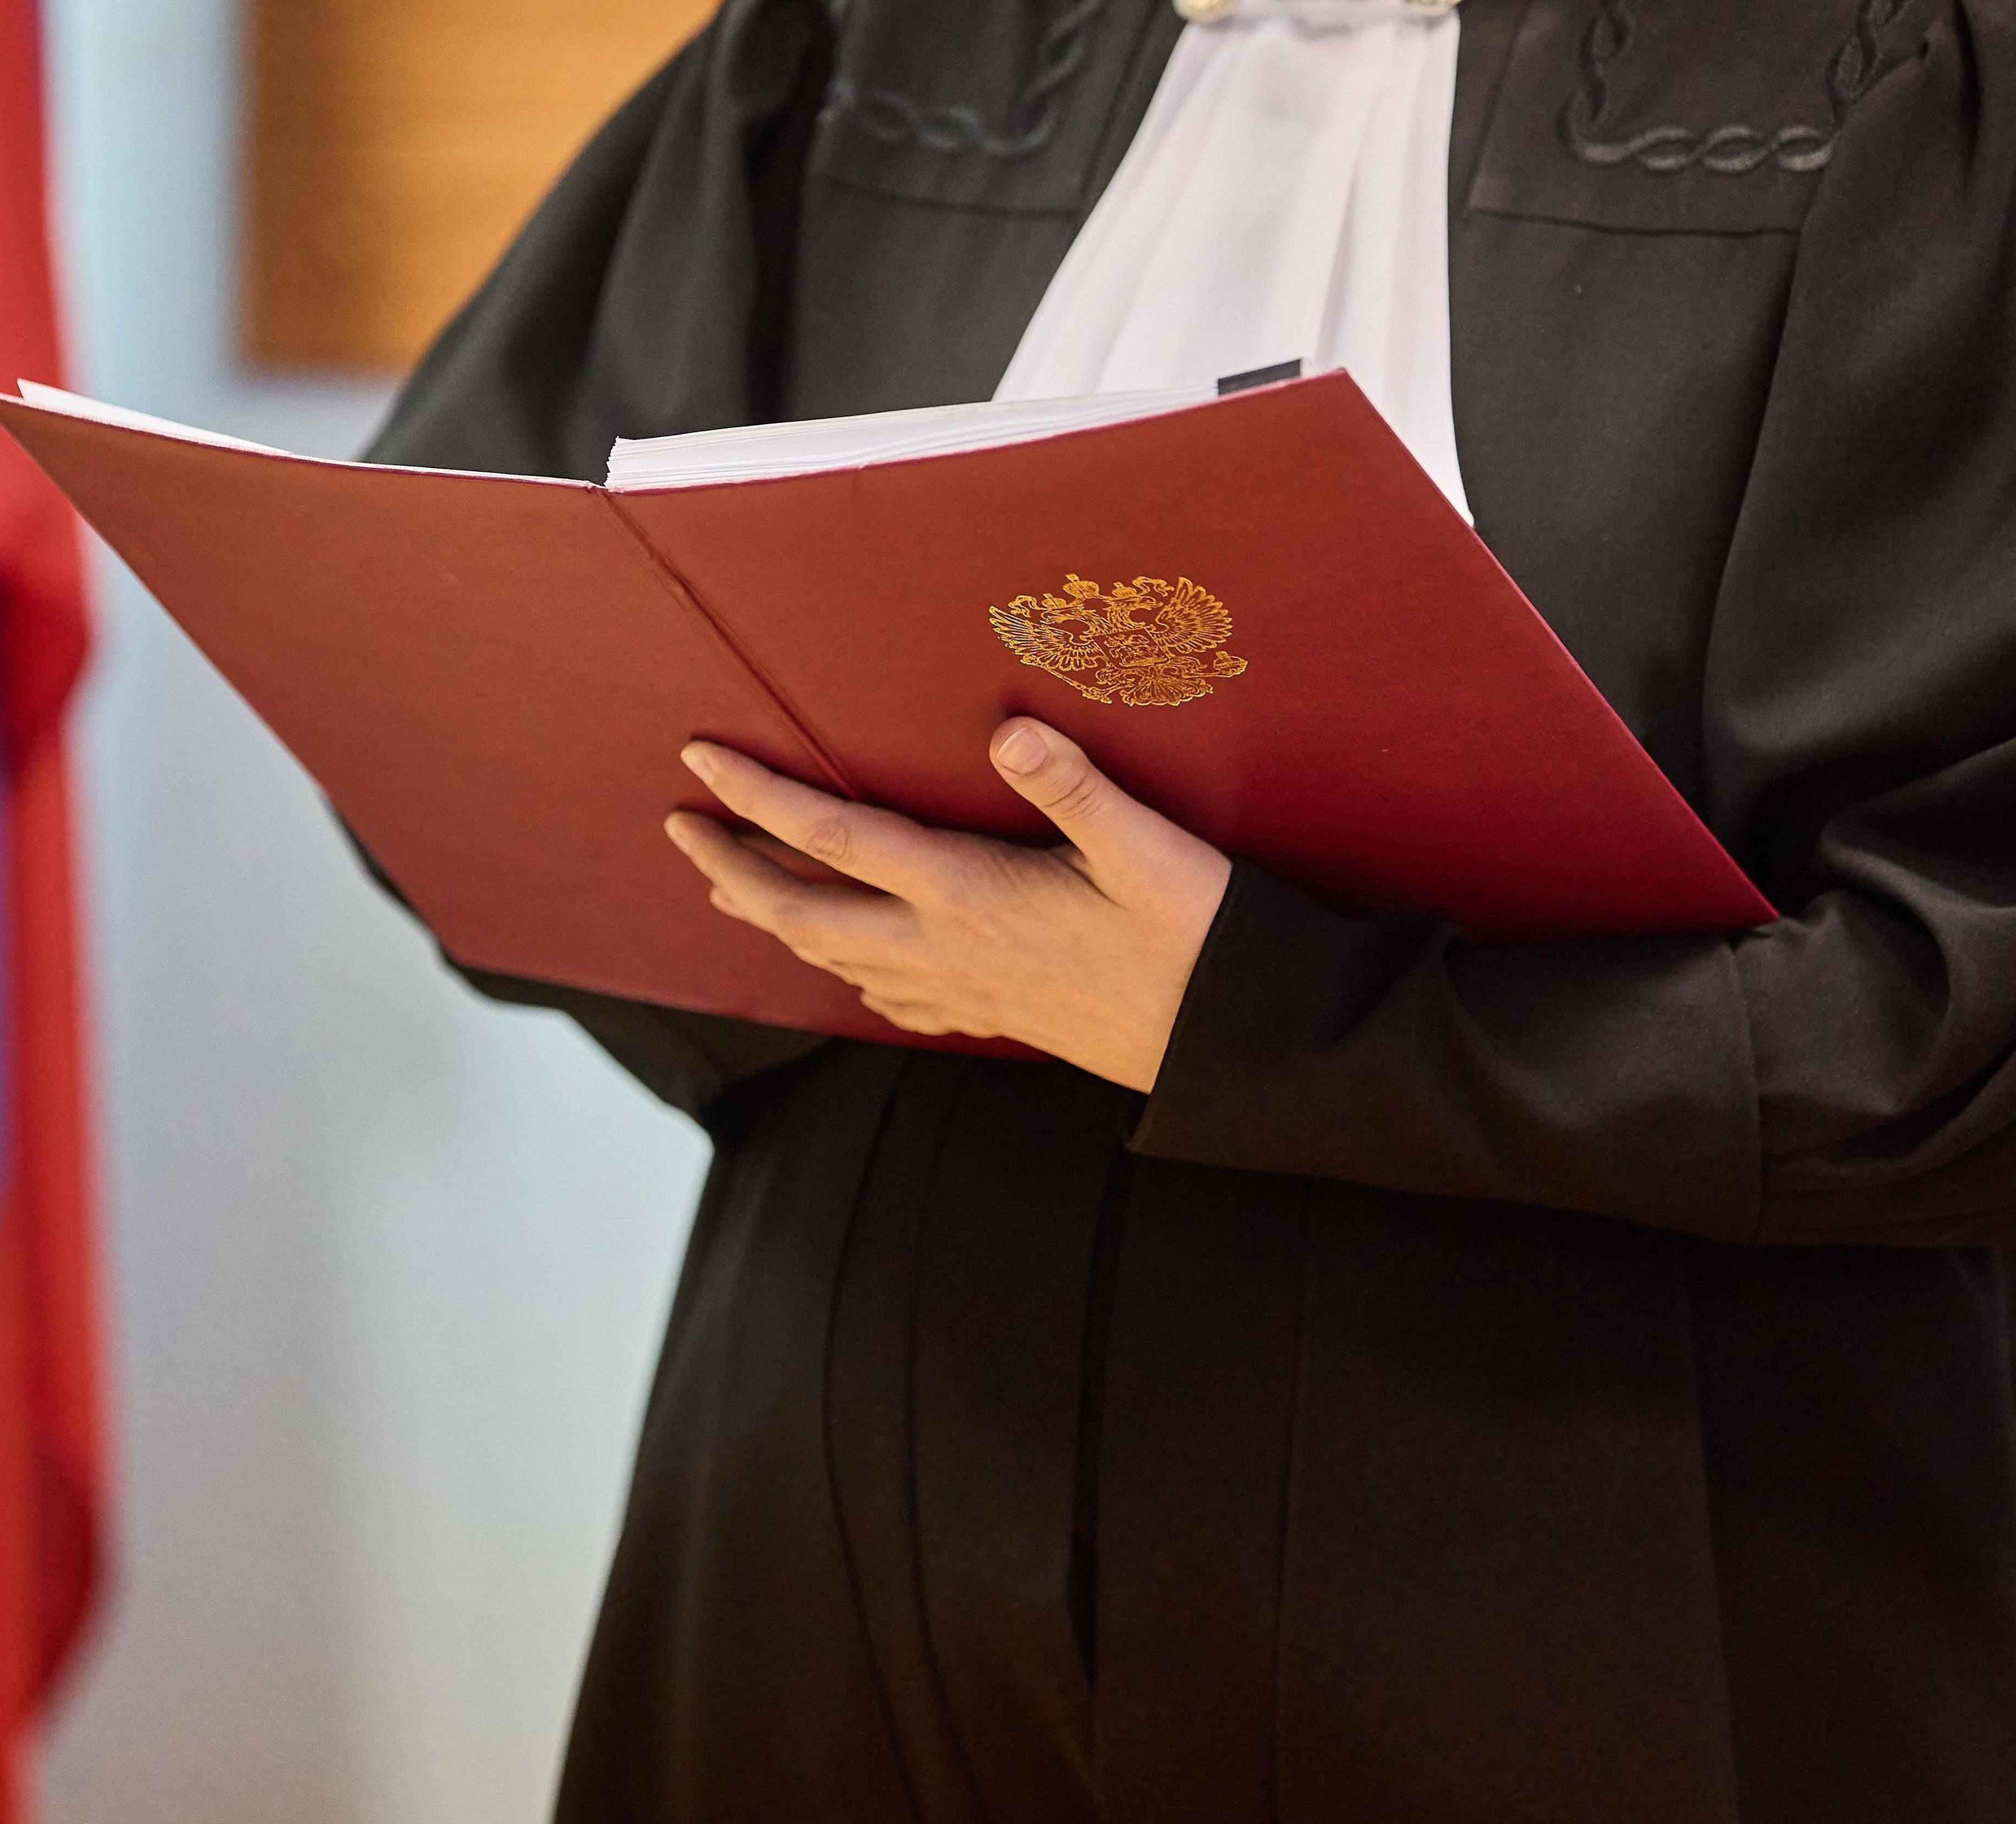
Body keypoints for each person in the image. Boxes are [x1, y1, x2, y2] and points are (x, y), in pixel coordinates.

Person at [357, 0, 2016, 1817]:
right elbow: (466, 648)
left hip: (1602, 1484)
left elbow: (1959, 995)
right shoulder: (865, 40)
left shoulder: (1915, 77)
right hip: (850, 1419)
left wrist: (1249, 1012)